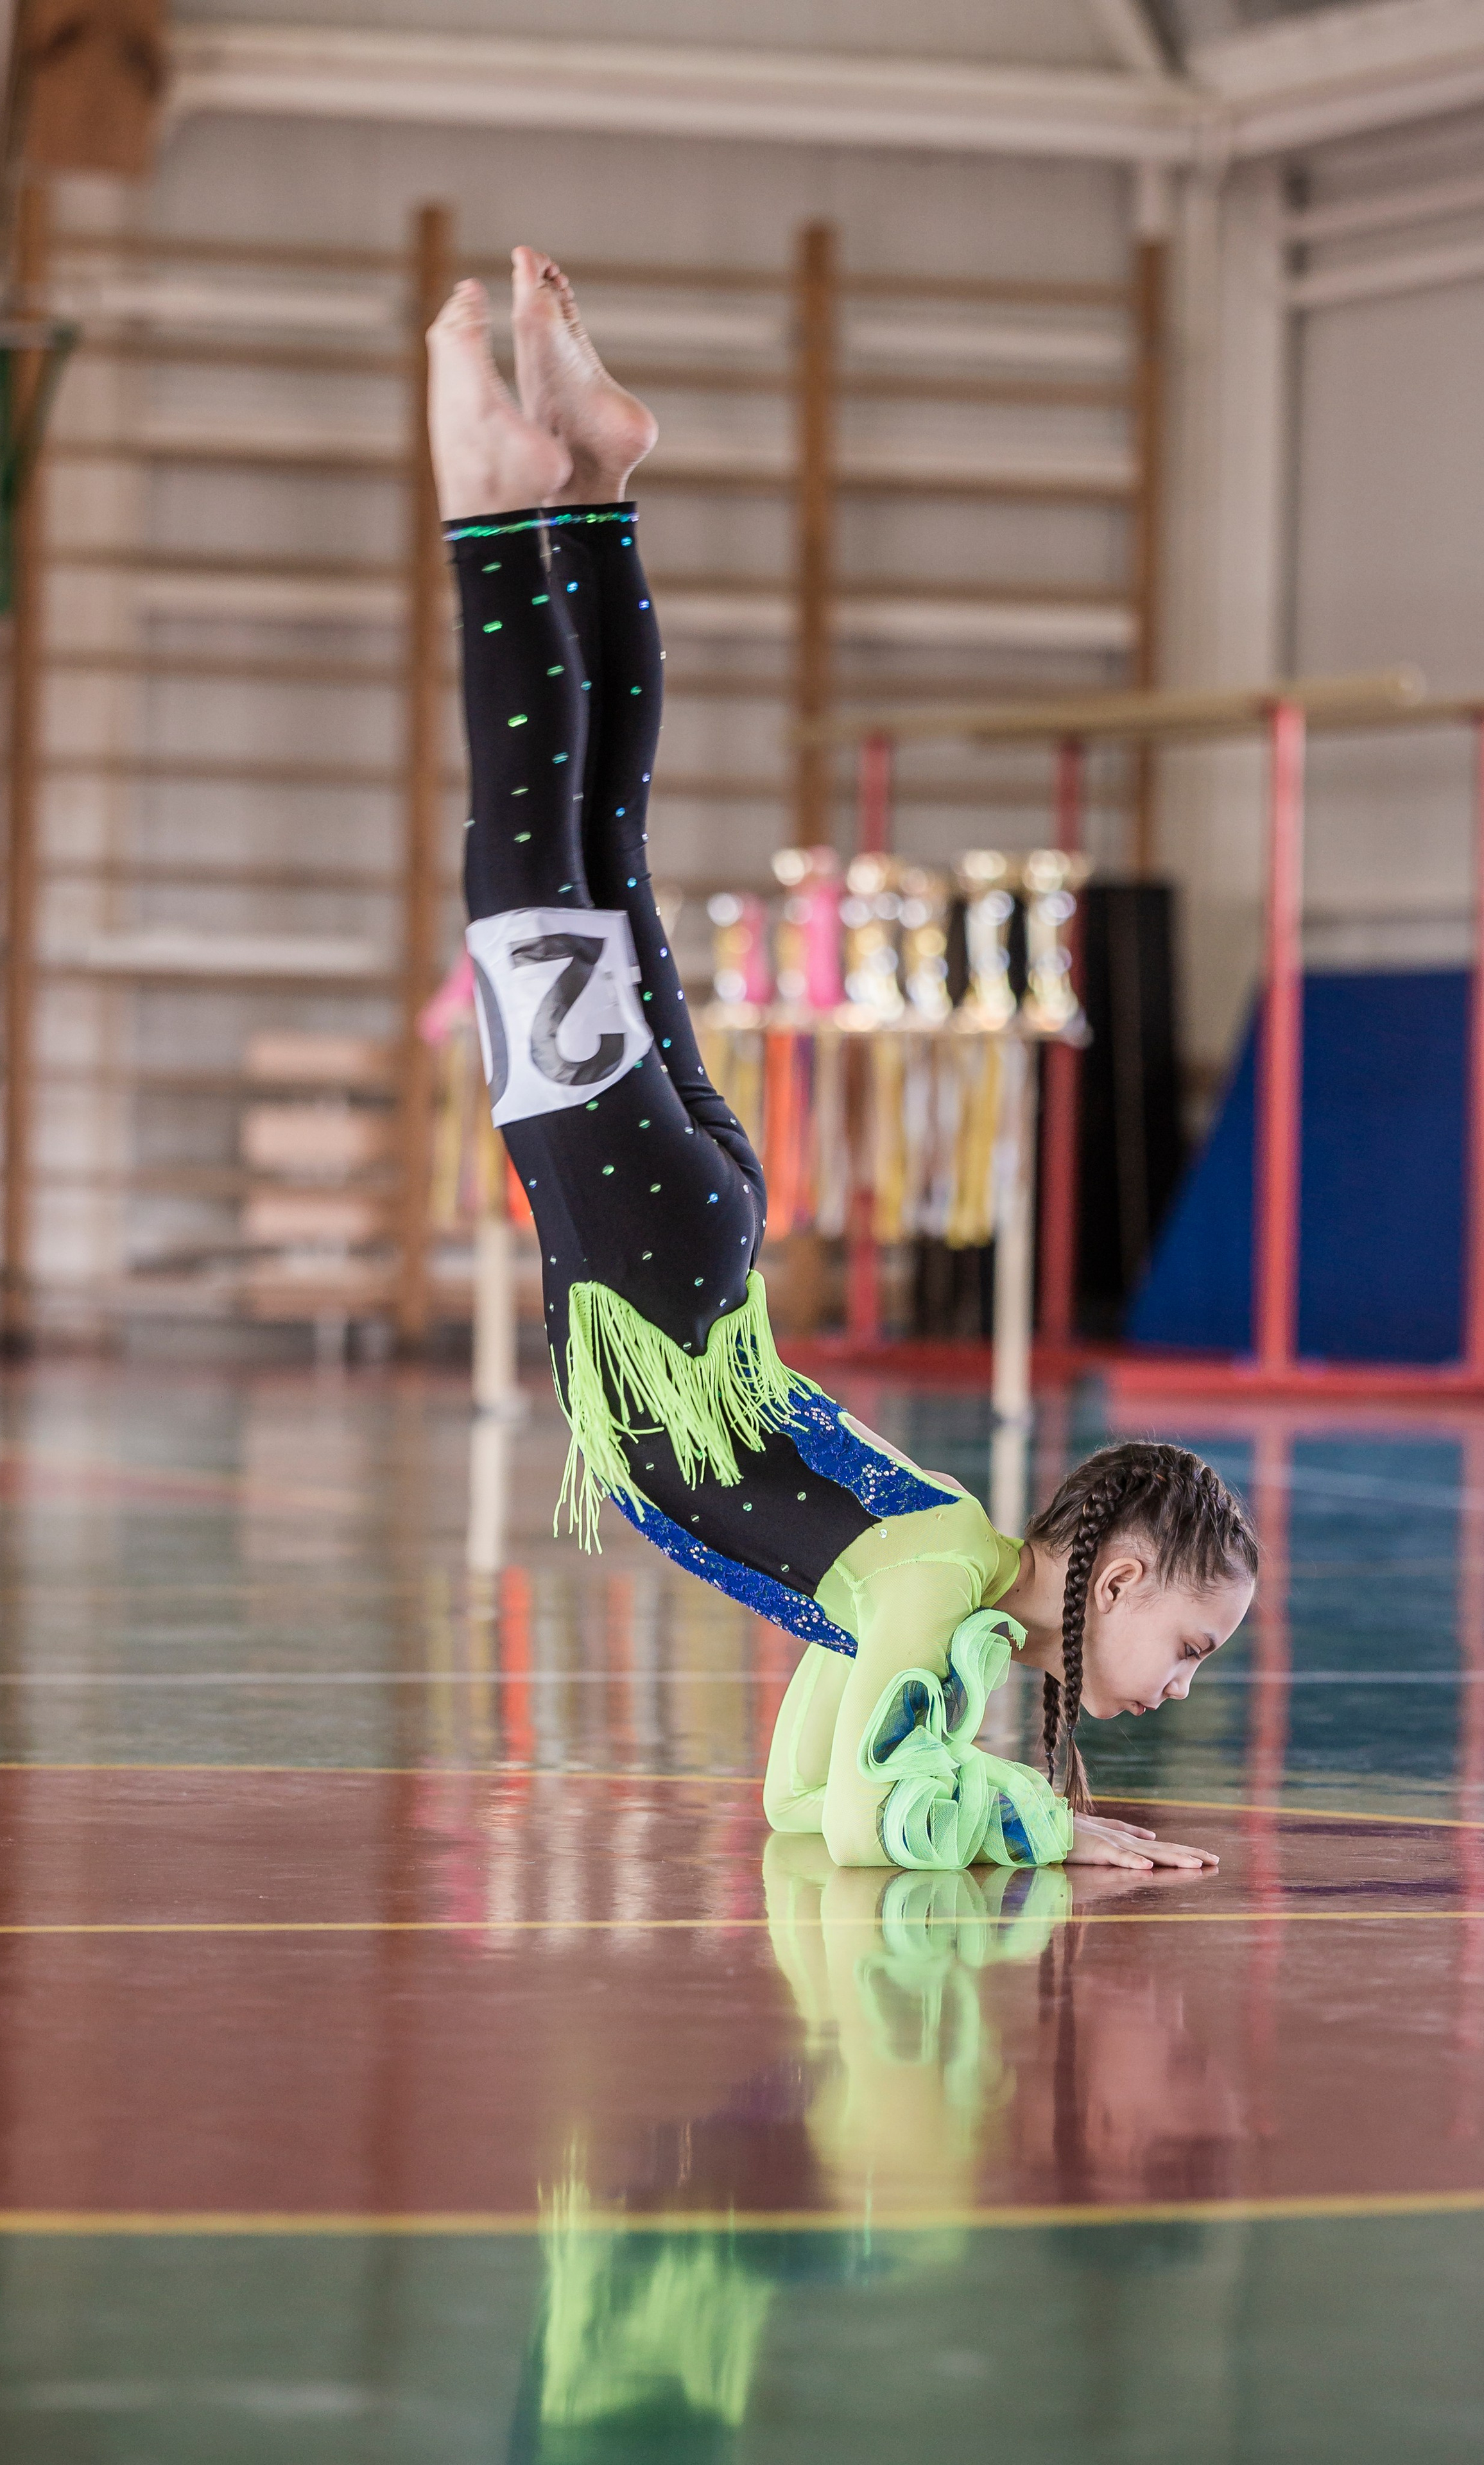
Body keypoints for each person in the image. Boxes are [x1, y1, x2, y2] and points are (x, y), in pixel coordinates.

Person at [430, 248, 1258, 1876]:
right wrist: (1051, 1833)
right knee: (536, 854)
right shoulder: (915, 1585)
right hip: (659, 1257)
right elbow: (882, 1824)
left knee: (595, 850)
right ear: (1119, 1581)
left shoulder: (935, 1563)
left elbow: (805, 1799)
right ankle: (504, 497)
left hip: (693, 1241)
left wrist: (978, 1779)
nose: (1179, 1688)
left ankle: (592, 480)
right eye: (1190, 1648)